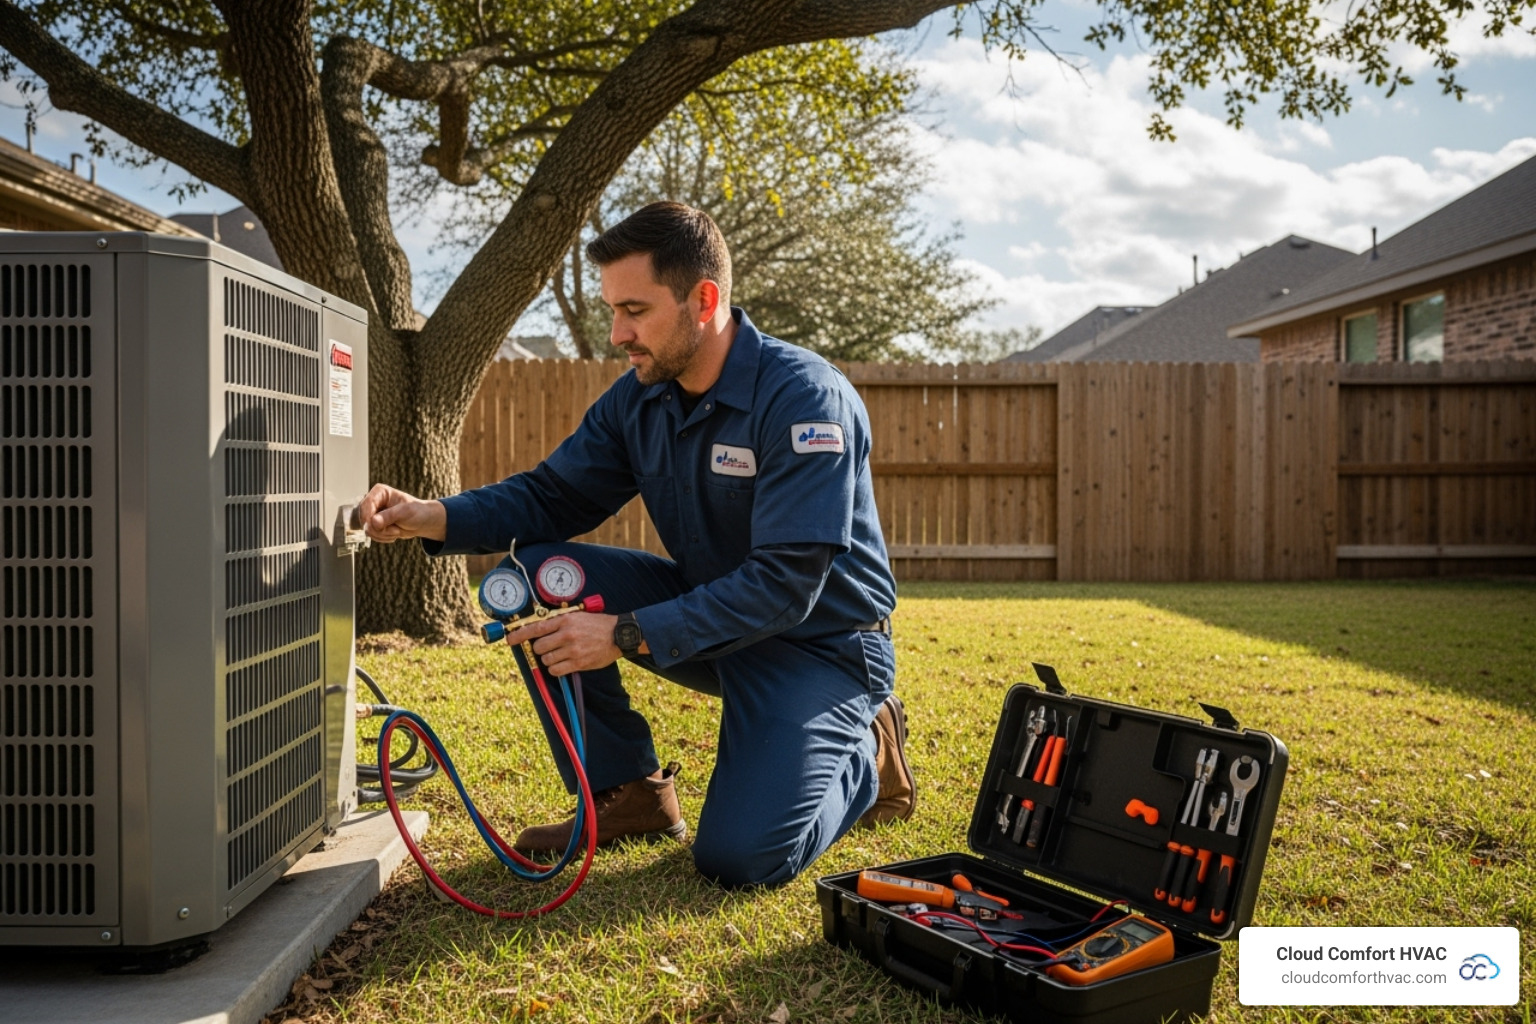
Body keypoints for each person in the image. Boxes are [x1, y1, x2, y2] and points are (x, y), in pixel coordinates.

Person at [357, 201, 913, 888]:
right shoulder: (639, 400)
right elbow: (550, 497)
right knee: (539, 572)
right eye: (612, 311)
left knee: (740, 859)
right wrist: (431, 516)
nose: (617, 333)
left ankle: (869, 745)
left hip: (820, 648)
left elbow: (786, 583)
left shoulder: (803, 399)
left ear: (702, 300)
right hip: (712, 622)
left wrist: (622, 633)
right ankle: (628, 795)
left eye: (635, 311)